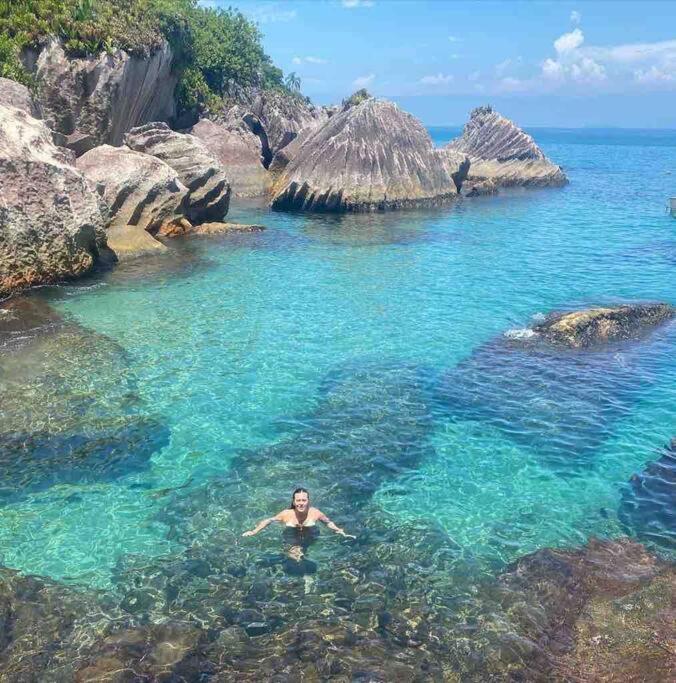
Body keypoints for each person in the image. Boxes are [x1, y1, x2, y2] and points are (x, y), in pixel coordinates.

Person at [241, 487, 356, 540]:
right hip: (291, 536)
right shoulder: (286, 514)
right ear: (294, 502)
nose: (301, 503)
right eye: (298, 500)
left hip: (311, 536)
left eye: (304, 500)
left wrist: (339, 530)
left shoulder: (315, 512)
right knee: (296, 558)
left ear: (308, 501)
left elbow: (327, 522)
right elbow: (269, 520)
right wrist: (254, 531)